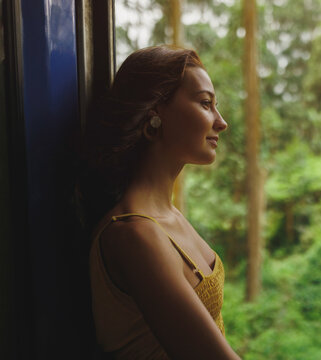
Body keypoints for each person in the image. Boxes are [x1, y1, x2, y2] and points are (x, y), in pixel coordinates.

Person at [78, 45, 241, 359]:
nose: (221, 122)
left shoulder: (168, 216)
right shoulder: (135, 234)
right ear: (154, 113)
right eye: (206, 104)